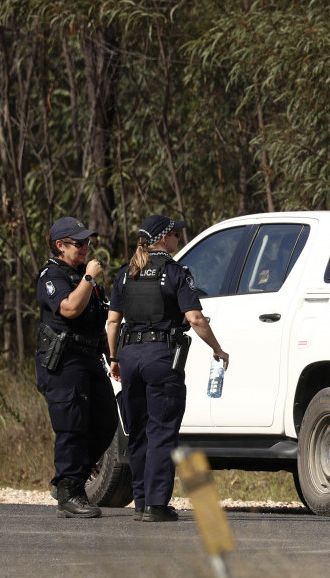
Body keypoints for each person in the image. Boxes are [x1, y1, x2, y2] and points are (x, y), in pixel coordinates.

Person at [106, 215, 230, 522]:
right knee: (161, 431)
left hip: (130, 356)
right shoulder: (175, 272)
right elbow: (195, 318)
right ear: (163, 239)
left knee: (137, 433)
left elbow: (112, 321)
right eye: (175, 234)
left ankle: (141, 502)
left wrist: (115, 358)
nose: (178, 239)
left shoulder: (126, 274)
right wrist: (217, 348)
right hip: (161, 357)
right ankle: (156, 505)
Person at [34, 216, 117, 518]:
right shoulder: (51, 276)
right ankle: (70, 491)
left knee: (106, 423)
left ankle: (69, 482)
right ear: (60, 245)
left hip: (90, 359)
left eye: (87, 243)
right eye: (78, 243)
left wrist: (113, 357)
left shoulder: (85, 277)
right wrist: (89, 279)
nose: (85, 248)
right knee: (72, 427)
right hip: (63, 362)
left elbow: (101, 321)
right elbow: (68, 308)